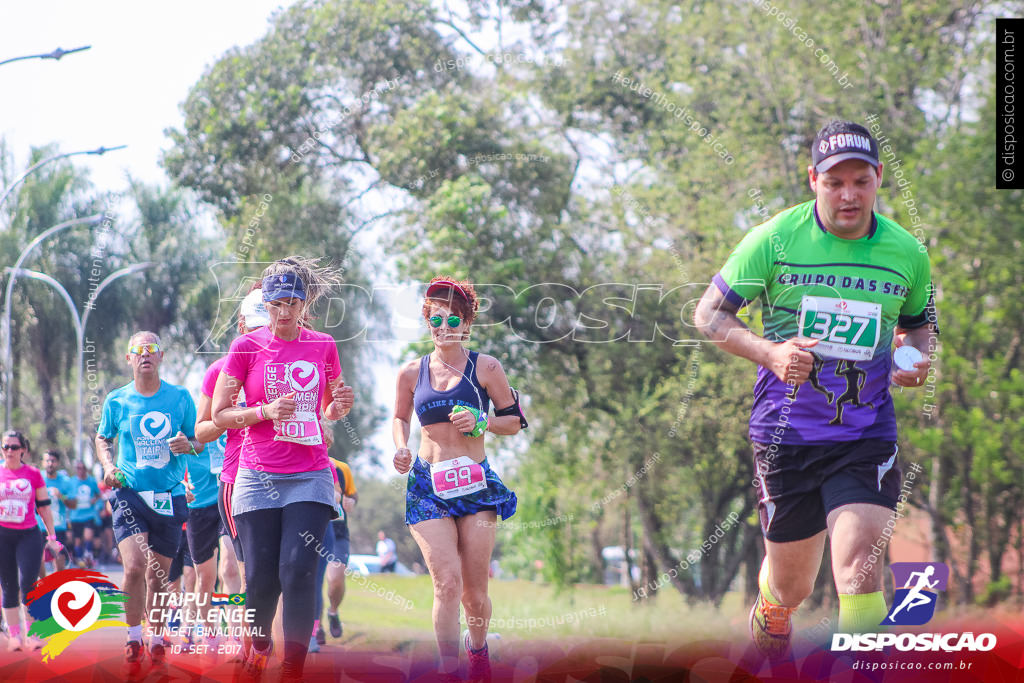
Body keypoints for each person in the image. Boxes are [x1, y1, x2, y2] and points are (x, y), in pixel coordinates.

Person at [694, 120, 937, 659]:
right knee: (793, 587)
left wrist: (916, 357)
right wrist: (771, 353)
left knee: (859, 570)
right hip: (786, 435)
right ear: (813, 181)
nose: (848, 194)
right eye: (834, 182)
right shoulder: (776, 238)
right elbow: (708, 314)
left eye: (860, 180)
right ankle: (772, 611)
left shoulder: (907, 252)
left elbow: (921, 323)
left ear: (878, 179)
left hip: (865, 434)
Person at [212, 257, 353, 680]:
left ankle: (293, 668)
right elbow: (220, 415)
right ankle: (258, 645)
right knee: (260, 578)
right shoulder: (245, 348)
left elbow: (327, 407)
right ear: (266, 304)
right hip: (256, 477)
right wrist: (264, 411)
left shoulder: (323, 345)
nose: (284, 312)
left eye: (292, 302)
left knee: (297, 571)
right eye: (276, 303)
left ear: (304, 302)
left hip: (309, 474)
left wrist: (338, 407)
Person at [392, 276, 528, 680]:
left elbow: (514, 423)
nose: (444, 328)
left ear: (467, 324)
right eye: (436, 320)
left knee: (474, 594)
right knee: (446, 584)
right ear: (427, 322)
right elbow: (399, 417)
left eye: (453, 320)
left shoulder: (486, 367)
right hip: (427, 487)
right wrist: (400, 447)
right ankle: (449, 671)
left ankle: (479, 650)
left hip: (475, 485)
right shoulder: (410, 372)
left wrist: (481, 421)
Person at [95, 331, 204, 672]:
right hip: (130, 493)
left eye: (151, 349)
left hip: (169, 496)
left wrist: (188, 444)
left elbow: (199, 440)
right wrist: (109, 466)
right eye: (138, 350)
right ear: (129, 358)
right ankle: (132, 636)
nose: (145, 355)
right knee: (135, 567)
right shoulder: (117, 400)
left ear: (161, 356)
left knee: (159, 576)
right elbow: (103, 438)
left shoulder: (180, 397)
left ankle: (156, 638)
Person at [195, 285, 270, 662]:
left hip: (284, 477)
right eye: (253, 327)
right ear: (241, 324)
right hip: (237, 479)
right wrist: (237, 411)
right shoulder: (219, 369)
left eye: (266, 327)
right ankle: (247, 652)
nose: (259, 335)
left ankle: (276, 650)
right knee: (241, 569)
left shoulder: (285, 362)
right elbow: (201, 431)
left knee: (282, 570)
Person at [1, 430, 61, 651]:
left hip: (28, 534)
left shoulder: (33, 473)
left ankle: (33, 635)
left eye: (14, 447)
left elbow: (44, 506)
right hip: (2, 535)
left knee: (29, 582)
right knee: (8, 585)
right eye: (5, 447)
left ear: (23, 450)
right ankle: (14, 637)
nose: (9, 451)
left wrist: (52, 537)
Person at [310, 455, 357, 652]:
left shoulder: (341, 467)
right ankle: (316, 628)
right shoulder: (304, 462)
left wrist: (351, 501)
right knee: (315, 581)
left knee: (335, 577)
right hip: (314, 531)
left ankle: (333, 611)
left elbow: (352, 494)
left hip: (337, 531)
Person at [41, 449, 75, 571]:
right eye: (47, 460)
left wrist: (62, 496)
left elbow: (73, 505)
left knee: (59, 560)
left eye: (53, 461)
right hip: (40, 526)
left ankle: (56, 586)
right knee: (39, 561)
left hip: (58, 526)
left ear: (58, 463)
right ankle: (43, 585)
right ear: (43, 462)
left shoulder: (65, 481)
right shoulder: (38, 477)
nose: (50, 463)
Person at [68, 460, 101, 567]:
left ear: (86, 469)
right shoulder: (71, 482)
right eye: (78, 468)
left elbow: (98, 494)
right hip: (75, 516)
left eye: (83, 468)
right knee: (77, 540)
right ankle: (79, 559)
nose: (81, 470)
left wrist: (94, 500)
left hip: (89, 515)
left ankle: (88, 556)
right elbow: (67, 496)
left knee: (88, 536)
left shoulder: (91, 481)